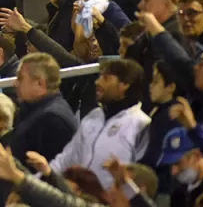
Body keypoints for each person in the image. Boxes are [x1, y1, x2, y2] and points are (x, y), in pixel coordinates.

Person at [46, 58, 149, 187]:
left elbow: (142, 180)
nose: (97, 82)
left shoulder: (141, 124)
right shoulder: (94, 115)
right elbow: (66, 158)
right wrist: (35, 182)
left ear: (125, 84)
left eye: (105, 78)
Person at [9, 53, 79, 162]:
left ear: (40, 83)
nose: (15, 84)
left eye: (20, 78)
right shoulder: (35, 111)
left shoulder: (53, 121)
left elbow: (53, 173)